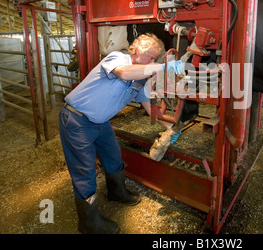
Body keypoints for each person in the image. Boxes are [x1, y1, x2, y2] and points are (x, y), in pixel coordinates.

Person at [59, 33, 184, 234]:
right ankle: (89, 223)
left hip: (100, 123)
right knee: (84, 171)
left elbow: (148, 107)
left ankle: (117, 192)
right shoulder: (118, 58)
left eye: (155, 59)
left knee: (113, 156)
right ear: (135, 51)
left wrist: (168, 128)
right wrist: (162, 67)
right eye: (150, 57)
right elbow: (124, 73)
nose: (152, 62)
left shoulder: (141, 79)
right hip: (77, 120)